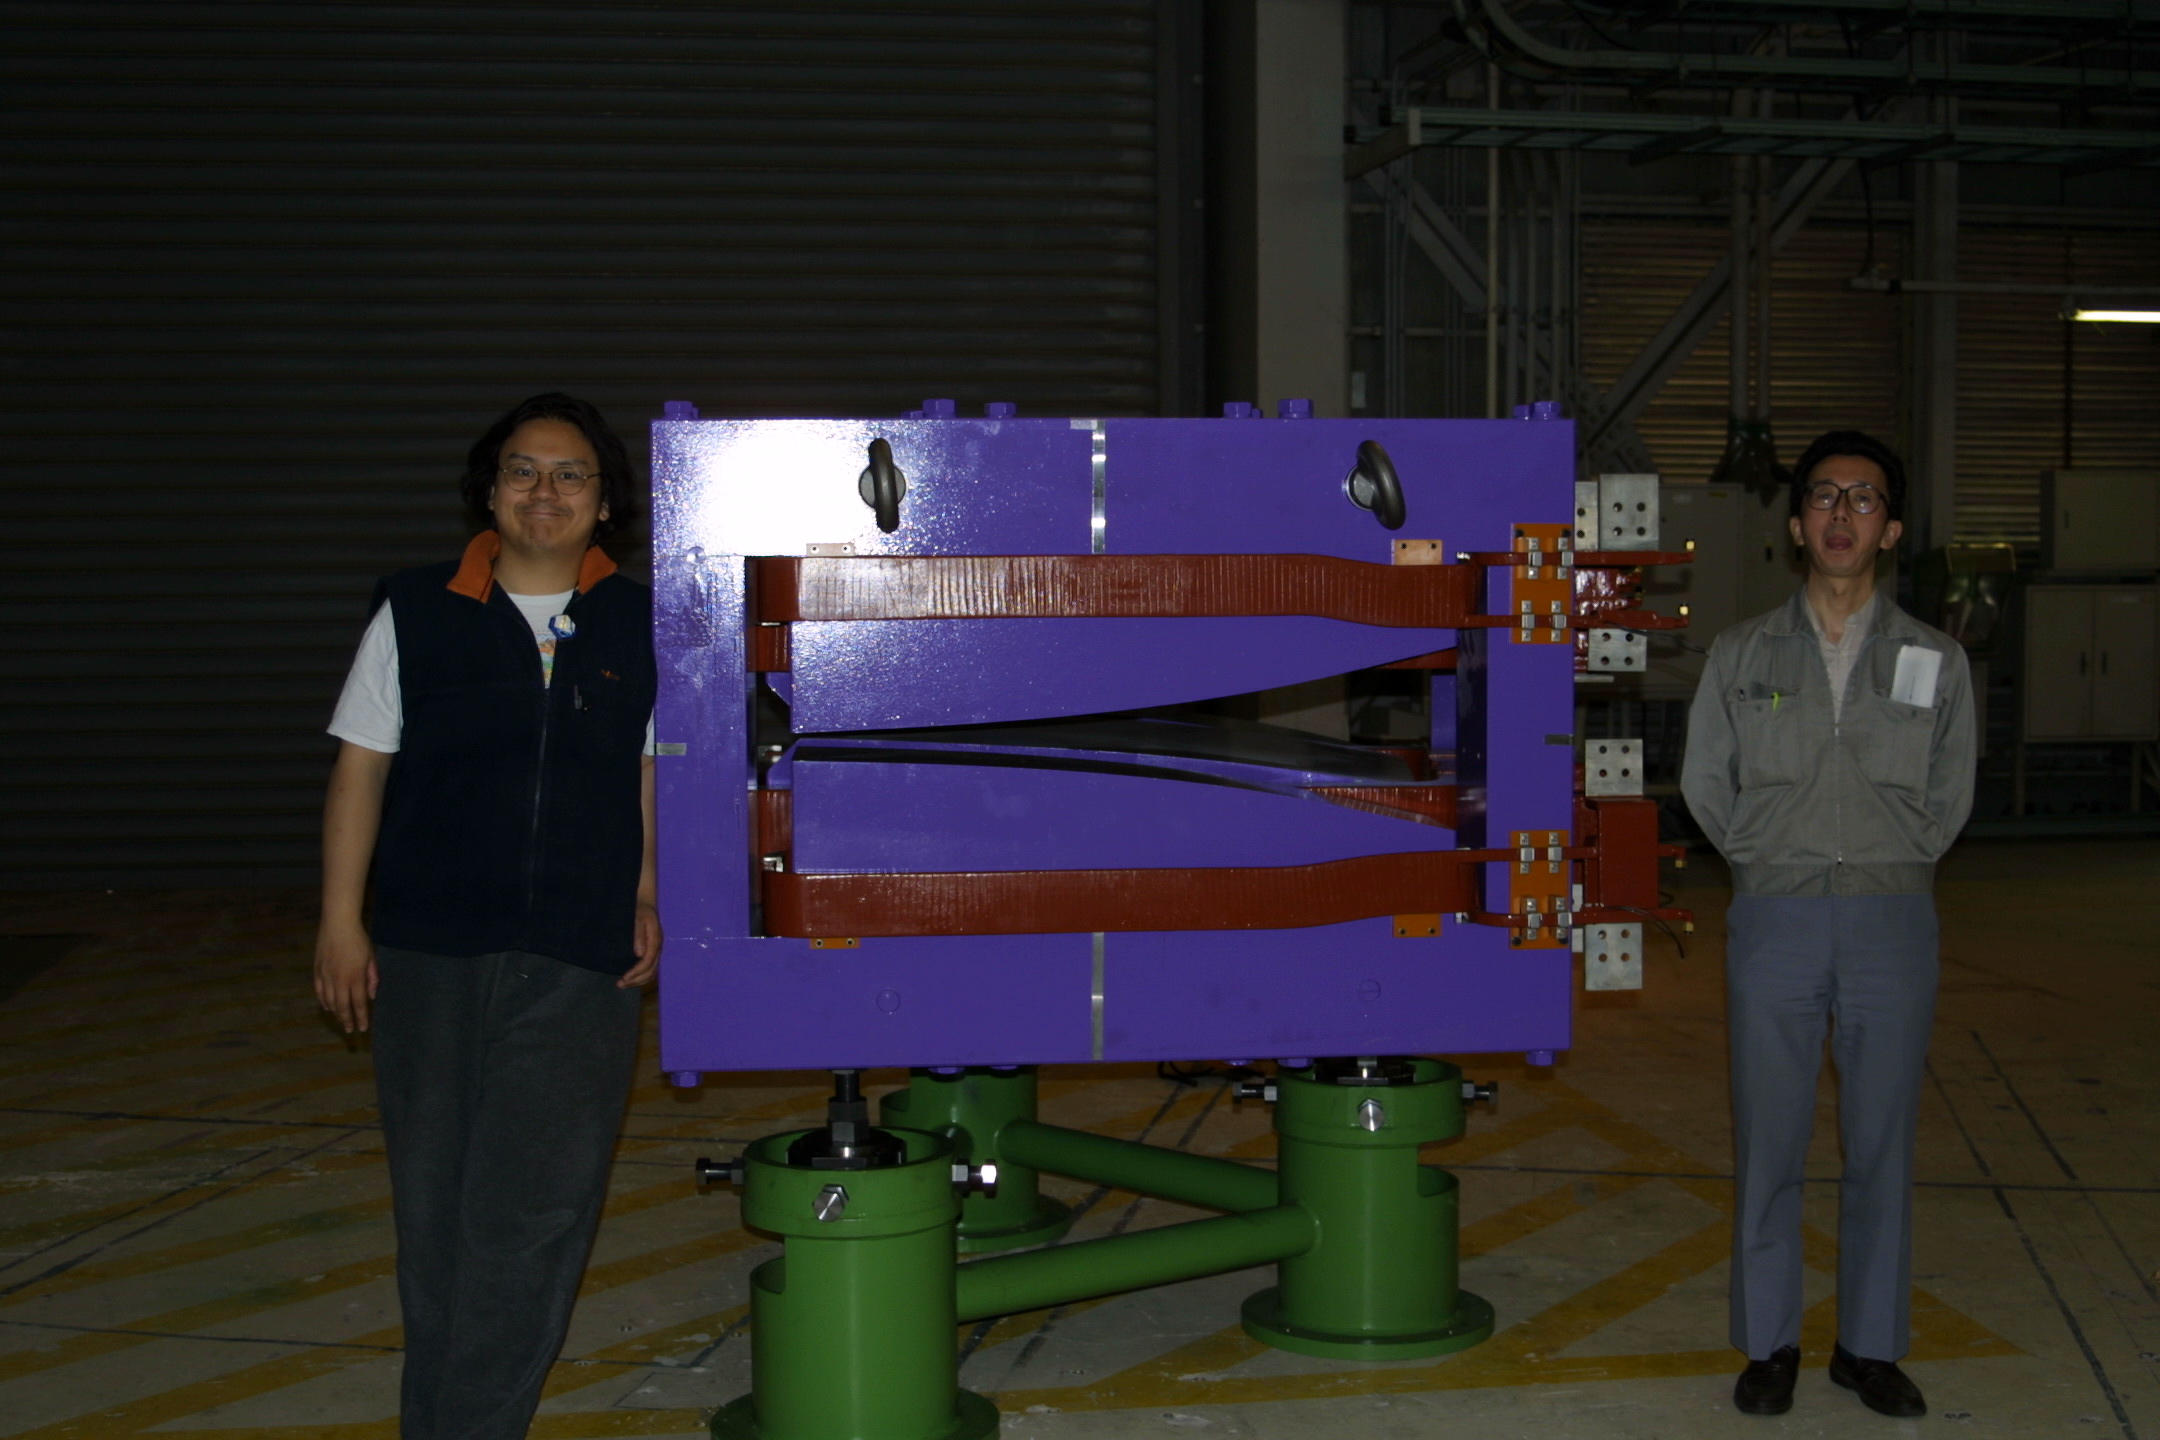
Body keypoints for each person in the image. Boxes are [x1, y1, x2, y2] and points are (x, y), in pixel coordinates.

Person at [313, 393, 659, 1440]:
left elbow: (652, 772)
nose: (545, 491)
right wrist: (341, 921)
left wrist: (647, 891)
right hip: (430, 951)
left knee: (533, 1216)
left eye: (570, 474)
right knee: (436, 1211)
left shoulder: (641, 622)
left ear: (603, 503)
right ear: (491, 491)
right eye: (522, 470)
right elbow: (361, 770)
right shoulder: (416, 612)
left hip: (580, 956)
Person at [1681, 430, 1975, 1419]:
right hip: (1777, 918)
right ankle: (1770, 1342)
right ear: (1797, 524)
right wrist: (1764, 857)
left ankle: (1868, 1347)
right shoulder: (1741, 654)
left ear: (1890, 529)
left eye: (1864, 497)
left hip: (1893, 920)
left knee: (1881, 1142)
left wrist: (1895, 854)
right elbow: (1706, 780)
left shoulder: (1935, 658)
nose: (1842, 513)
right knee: (1770, 1139)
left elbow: (1951, 788)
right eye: (1823, 495)